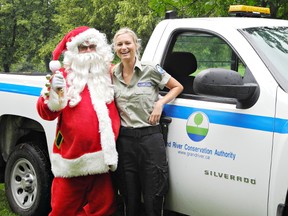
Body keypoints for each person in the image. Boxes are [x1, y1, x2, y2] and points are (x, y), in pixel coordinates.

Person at [37, 26, 120, 216]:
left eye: (93, 47)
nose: (89, 51)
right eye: (84, 47)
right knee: (62, 210)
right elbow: (46, 113)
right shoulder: (62, 78)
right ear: (74, 52)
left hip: (102, 162)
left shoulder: (108, 76)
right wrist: (52, 98)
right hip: (71, 162)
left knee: (103, 210)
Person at [111, 27, 183, 216]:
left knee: (154, 195)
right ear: (115, 48)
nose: (124, 47)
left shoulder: (151, 69)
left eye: (128, 43)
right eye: (119, 44)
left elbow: (177, 86)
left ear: (136, 45)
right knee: (129, 197)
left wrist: (160, 103)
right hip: (125, 141)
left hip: (150, 139)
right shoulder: (112, 75)